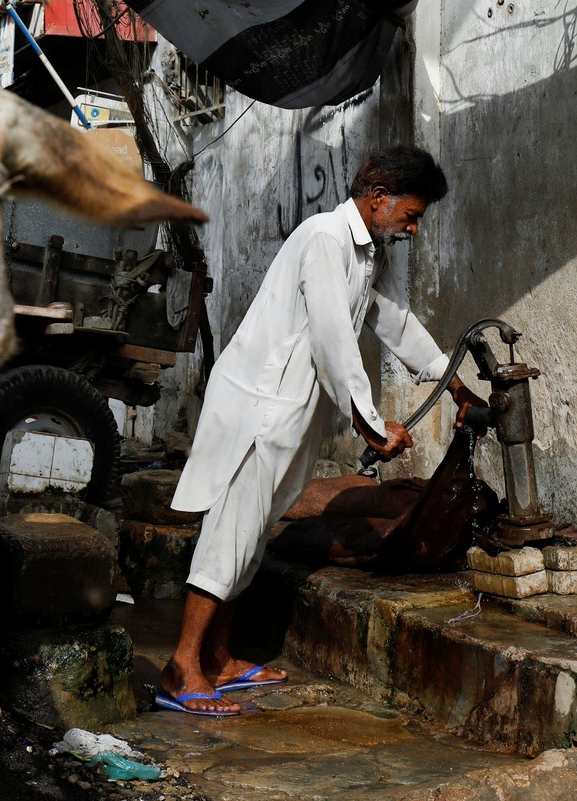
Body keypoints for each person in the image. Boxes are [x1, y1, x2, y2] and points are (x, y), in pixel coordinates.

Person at [157, 145, 485, 716]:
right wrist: (369, 424)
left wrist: (452, 381)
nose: (411, 227)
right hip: (258, 408)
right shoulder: (324, 240)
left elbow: (391, 322)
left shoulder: (364, 254)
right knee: (230, 531)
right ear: (378, 198)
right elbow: (333, 338)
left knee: (253, 532)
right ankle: (182, 665)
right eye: (410, 213)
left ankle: (219, 657)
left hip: (289, 412)